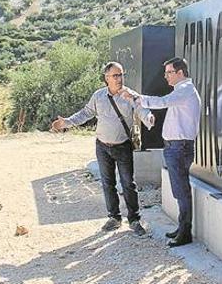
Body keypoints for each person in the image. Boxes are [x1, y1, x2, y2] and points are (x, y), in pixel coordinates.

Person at [51, 62, 153, 237]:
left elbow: (142, 109)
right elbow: (85, 113)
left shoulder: (130, 95)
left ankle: (134, 219)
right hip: (102, 146)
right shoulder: (98, 96)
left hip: (122, 146)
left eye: (121, 75)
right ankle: (114, 217)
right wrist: (66, 122)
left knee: (128, 183)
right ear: (107, 78)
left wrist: (149, 118)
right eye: (115, 75)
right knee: (108, 183)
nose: (119, 78)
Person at [123, 57, 201, 247]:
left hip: (179, 147)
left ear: (180, 72)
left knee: (181, 191)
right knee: (179, 189)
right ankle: (183, 227)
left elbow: (161, 102)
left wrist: (135, 98)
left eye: (169, 72)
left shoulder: (184, 90)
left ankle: (185, 232)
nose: (166, 76)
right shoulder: (182, 91)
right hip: (177, 147)